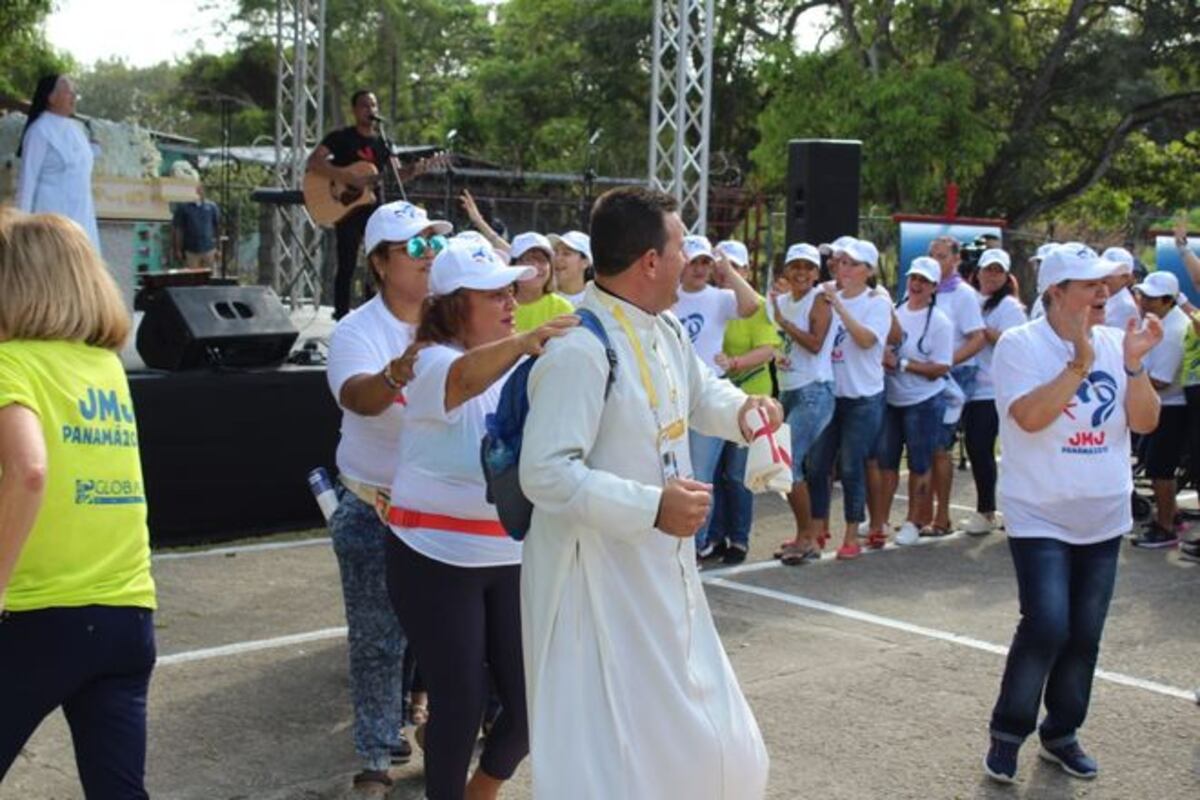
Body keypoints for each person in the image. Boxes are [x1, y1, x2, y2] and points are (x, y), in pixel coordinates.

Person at [519, 185, 776, 800]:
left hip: (660, 567)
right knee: (608, 742)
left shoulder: (662, 329)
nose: (692, 256)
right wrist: (650, 507)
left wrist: (744, 412)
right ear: (649, 262)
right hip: (596, 581)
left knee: (701, 734)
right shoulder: (579, 348)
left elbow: (700, 392)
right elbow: (545, 472)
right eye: (682, 243)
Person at [384, 240, 574, 800]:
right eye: (494, 294)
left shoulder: (521, 366)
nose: (511, 303)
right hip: (432, 557)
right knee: (461, 701)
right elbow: (462, 380)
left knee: (529, 705)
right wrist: (525, 342)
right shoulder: (427, 361)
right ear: (453, 304)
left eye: (511, 292)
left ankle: (481, 789)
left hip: (509, 556)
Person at [983, 244, 1161, 784]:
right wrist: (1080, 362)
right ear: (1056, 291)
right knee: (1047, 625)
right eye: (1088, 284)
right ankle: (1009, 732)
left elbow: (1146, 422)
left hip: (1104, 515)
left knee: (1084, 633)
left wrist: (1131, 365)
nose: (1103, 292)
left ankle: (1062, 732)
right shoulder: (1020, 344)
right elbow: (1030, 418)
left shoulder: (1116, 342)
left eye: (1106, 283)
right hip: (1040, 512)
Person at [0, 212, 156, 797]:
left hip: (37, 615)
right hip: (126, 613)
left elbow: (30, 469)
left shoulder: (9, 363)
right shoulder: (106, 369)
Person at [324, 200, 450, 793]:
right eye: (417, 247)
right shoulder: (357, 330)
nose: (431, 257)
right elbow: (358, 396)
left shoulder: (456, 320)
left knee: (446, 632)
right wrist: (398, 372)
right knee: (377, 639)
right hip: (373, 505)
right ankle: (375, 759)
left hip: (443, 507)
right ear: (379, 262)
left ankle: (431, 720)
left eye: (436, 245)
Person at [671, 234, 760, 558]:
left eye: (705, 263)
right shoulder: (670, 296)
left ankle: (695, 543)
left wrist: (726, 267)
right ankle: (693, 538)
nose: (699, 269)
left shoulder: (720, 297)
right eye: (693, 261)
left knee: (700, 472)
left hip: (706, 393)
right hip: (669, 393)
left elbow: (751, 305)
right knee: (675, 471)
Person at [807, 239, 894, 559]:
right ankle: (816, 531)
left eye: (850, 264)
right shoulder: (827, 295)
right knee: (817, 465)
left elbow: (867, 339)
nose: (842, 268)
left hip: (864, 398)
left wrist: (839, 306)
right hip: (831, 393)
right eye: (840, 262)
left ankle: (851, 535)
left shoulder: (877, 302)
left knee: (851, 464)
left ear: (867, 271)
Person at [708, 239, 781, 564]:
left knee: (737, 475)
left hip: (750, 396)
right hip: (716, 394)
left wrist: (735, 364)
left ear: (747, 270)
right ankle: (715, 535)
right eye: (722, 266)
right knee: (714, 474)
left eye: (735, 266)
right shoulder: (710, 299)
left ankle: (739, 538)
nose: (726, 272)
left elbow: (769, 350)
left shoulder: (757, 305)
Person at [880, 257, 953, 546]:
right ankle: (880, 520)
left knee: (920, 464)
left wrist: (901, 364)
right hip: (892, 399)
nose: (917, 284)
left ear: (934, 287)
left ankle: (913, 521)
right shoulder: (895, 311)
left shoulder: (940, 322)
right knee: (886, 462)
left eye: (924, 280)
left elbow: (941, 368)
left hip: (923, 402)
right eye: (914, 278)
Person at [770, 243, 835, 564]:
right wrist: (777, 354)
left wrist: (784, 323)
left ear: (817, 273)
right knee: (787, 467)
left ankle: (809, 538)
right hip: (788, 390)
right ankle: (803, 534)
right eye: (795, 266)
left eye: (808, 267)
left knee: (788, 463)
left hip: (815, 391)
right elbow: (776, 344)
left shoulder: (819, 299)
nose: (801, 273)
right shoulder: (778, 302)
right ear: (786, 269)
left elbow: (814, 343)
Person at [307, 90, 390, 320]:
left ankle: (372, 314)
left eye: (374, 105)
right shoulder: (341, 138)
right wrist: (347, 178)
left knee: (377, 263)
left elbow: (393, 175)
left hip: (373, 209)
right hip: (347, 208)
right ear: (354, 110)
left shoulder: (382, 143)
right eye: (365, 105)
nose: (370, 110)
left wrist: (415, 170)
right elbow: (314, 162)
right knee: (347, 263)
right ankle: (341, 314)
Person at [960, 248, 1027, 536]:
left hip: (994, 388)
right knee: (977, 449)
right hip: (969, 386)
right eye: (988, 269)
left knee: (984, 448)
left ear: (1006, 275)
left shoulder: (1010, 307)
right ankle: (987, 511)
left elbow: (1015, 344)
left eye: (998, 271)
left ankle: (989, 511)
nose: (991, 275)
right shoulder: (972, 299)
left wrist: (982, 331)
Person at [927, 236, 986, 536]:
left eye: (942, 256)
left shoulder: (963, 295)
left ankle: (942, 515)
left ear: (956, 259)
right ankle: (924, 514)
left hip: (952, 377)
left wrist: (946, 361)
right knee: (924, 448)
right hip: (923, 376)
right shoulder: (925, 290)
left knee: (940, 447)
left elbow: (978, 337)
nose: (936, 261)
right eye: (932, 255)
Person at [1129, 270, 1187, 549]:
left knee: (1160, 468)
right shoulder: (1162, 321)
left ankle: (1165, 527)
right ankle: (1171, 516)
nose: (1143, 301)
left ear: (1168, 300)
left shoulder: (1174, 330)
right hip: (1165, 404)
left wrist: (1129, 378)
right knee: (1156, 465)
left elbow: (1162, 381)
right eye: (1143, 295)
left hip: (1172, 407)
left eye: (1152, 298)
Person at [16, 74, 100, 248]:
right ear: (51, 98)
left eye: (74, 93)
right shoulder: (39, 131)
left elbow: (79, 163)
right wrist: (19, 229)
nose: (74, 97)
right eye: (68, 92)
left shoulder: (77, 130)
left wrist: (95, 149)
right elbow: (27, 182)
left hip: (83, 220)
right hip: (51, 223)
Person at [510, 232, 574, 332]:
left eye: (542, 260)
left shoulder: (562, 308)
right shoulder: (501, 306)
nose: (536, 266)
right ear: (513, 265)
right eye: (528, 260)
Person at [171, 183, 221, 270]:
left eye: (199, 189)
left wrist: (219, 248)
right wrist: (178, 249)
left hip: (209, 249)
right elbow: (179, 229)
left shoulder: (212, 207)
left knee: (210, 277)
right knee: (193, 278)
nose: (197, 192)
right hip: (191, 251)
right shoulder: (183, 208)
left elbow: (217, 227)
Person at [1099, 247, 1139, 331]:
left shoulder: (1126, 309)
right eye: (1102, 268)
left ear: (1125, 278)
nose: (1103, 275)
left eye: (1110, 271)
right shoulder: (1098, 293)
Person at [549, 230, 592, 306]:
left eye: (566, 254)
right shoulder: (542, 298)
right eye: (555, 252)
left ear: (585, 262)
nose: (557, 258)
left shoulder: (597, 300)